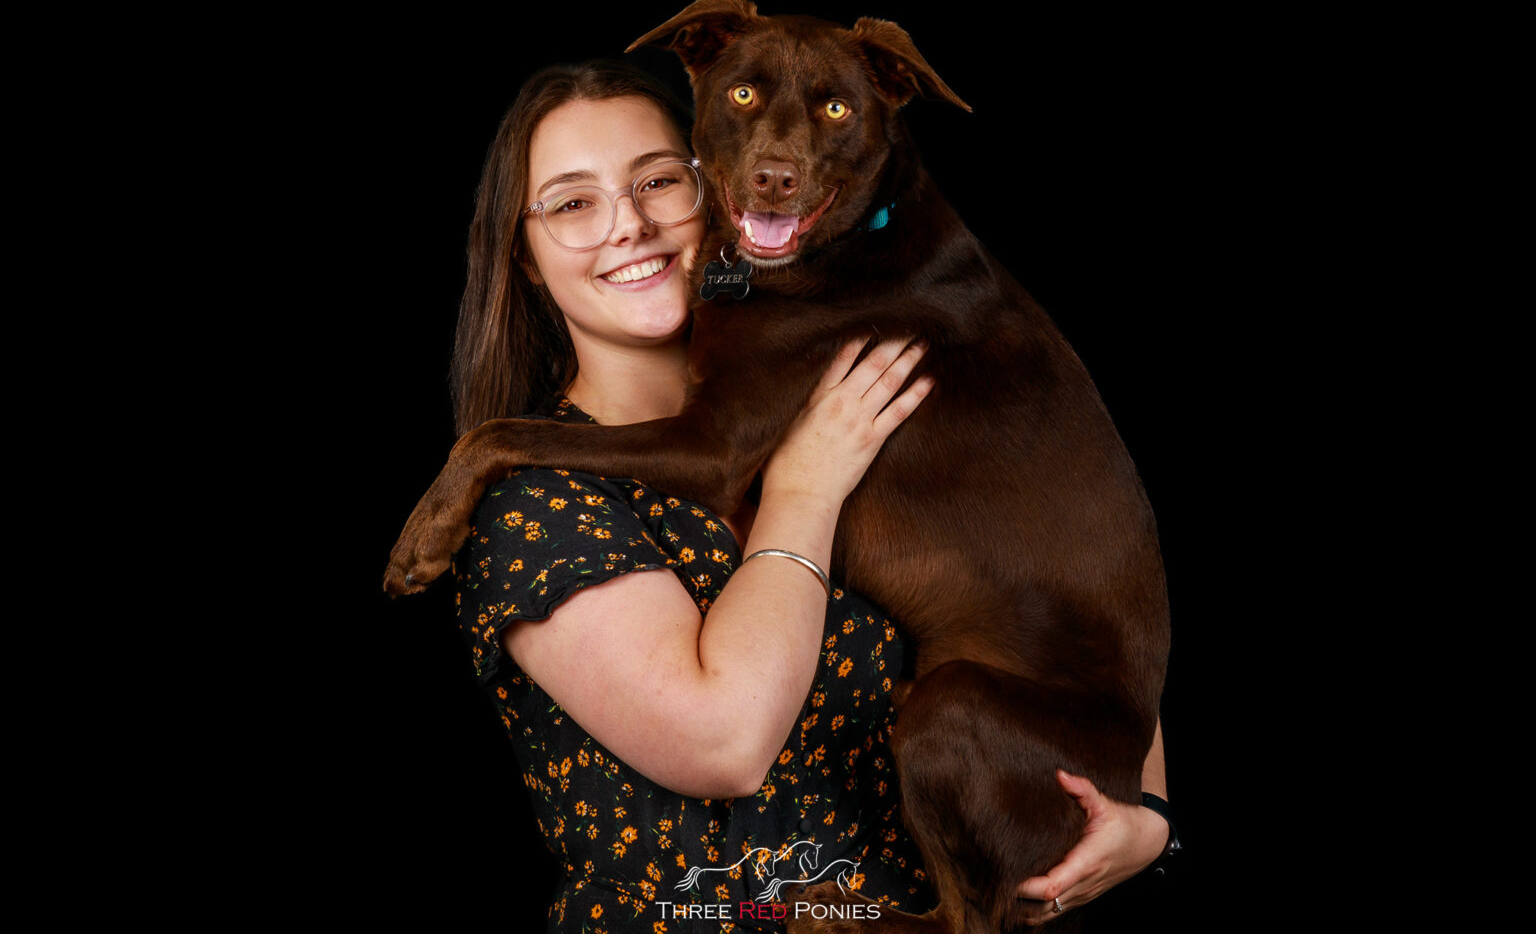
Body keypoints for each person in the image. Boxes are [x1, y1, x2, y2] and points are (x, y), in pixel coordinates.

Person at [434, 60, 1172, 931]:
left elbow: (1078, 608)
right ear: (522, 252)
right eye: (572, 203)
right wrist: (805, 488)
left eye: (659, 182)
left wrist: (1149, 824)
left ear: (720, 182)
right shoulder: (534, 509)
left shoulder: (848, 401)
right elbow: (726, 743)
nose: (629, 225)